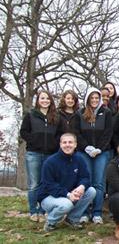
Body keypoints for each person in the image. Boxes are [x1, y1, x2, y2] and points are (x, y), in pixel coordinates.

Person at [38, 133, 96, 231]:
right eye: (64, 142)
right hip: (48, 197)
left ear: (75, 144)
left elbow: (85, 177)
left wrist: (81, 186)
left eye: (70, 142)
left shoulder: (79, 159)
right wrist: (68, 194)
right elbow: (48, 185)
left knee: (91, 191)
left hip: (69, 194)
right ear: (60, 144)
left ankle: (72, 219)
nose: (67, 145)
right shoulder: (50, 162)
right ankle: (51, 222)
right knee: (66, 204)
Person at [20, 90, 63, 222]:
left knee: (47, 183)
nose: (45, 101)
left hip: (51, 154)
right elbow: (23, 132)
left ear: (51, 101)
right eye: (42, 98)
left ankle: (43, 210)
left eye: (47, 98)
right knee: (34, 184)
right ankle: (33, 211)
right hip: (34, 153)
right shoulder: (31, 115)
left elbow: (61, 134)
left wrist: (54, 144)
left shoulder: (56, 117)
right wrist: (33, 140)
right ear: (38, 100)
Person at [77, 88, 114, 224]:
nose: (94, 100)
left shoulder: (106, 113)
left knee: (99, 182)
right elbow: (76, 132)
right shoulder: (80, 113)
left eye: (96, 98)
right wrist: (86, 147)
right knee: (86, 181)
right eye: (91, 98)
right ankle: (85, 212)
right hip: (84, 152)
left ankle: (97, 212)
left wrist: (99, 148)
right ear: (87, 99)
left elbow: (108, 132)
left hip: (101, 152)